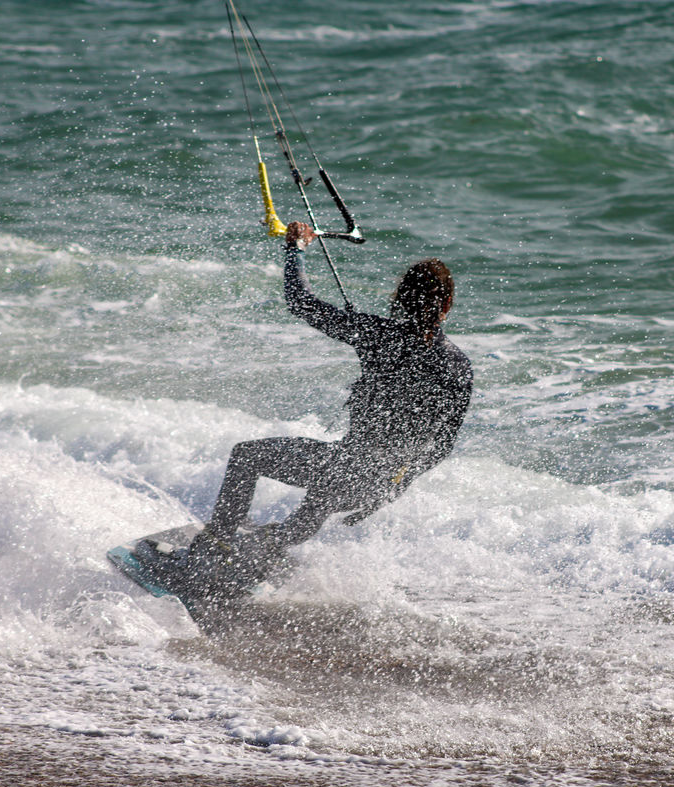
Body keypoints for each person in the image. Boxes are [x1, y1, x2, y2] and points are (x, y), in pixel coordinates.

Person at [189, 221, 473, 570]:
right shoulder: (459, 366)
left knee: (247, 456)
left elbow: (301, 302)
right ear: (447, 303)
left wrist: (296, 249)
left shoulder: (376, 334)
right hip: (379, 482)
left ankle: (214, 548)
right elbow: (442, 446)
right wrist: (394, 487)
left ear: (399, 298)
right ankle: (264, 551)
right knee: (315, 506)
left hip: (344, 468)